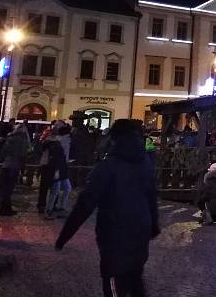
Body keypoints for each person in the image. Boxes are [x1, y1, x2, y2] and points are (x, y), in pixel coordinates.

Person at [55, 119, 160, 297]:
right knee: (135, 276)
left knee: (114, 278)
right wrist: (154, 224)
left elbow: (86, 203)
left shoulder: (108, 166)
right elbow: (151, 195)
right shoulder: (145, 162)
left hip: (114, 231)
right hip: (141, 228)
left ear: (114, 139)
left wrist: (65, 235)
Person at [0, 124, 29, 216]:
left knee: (5, 188)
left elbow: (3, 153)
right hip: (14, 165)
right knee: (9, 189)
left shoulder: (9, 138)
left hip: (6, 164)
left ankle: (6, 208)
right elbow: (23, 154)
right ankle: (5, 210)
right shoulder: (22, 140)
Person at [44, 126, 71, 220]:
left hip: (62, 168)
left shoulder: (60, 142)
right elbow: (56, 158)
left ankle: (60, 208)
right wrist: (56, 170)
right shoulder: (58, 143)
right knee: (55, 190)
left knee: (66, 188)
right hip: (58, 169)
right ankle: (49, 210)